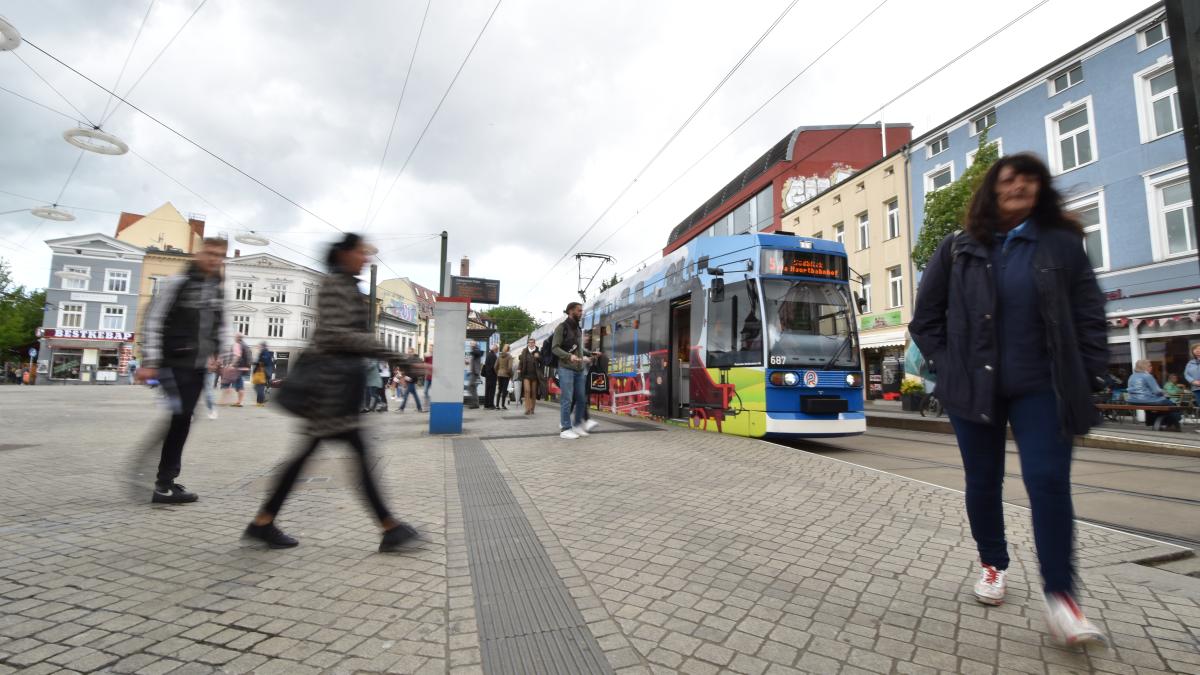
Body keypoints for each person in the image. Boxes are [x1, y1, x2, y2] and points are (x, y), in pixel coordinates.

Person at [909, 153, 1108, 646]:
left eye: (1028, 179)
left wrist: (1093, 372)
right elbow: (925, 319)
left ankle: (1061, 598)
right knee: (983, 480)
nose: (1018, 185)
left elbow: (1089, 313)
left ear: (1040, 188)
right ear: (992, 190)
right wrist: (946, 363)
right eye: (1008, 179)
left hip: (1044, 385)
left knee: (1048, 483)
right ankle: (993, 564)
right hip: (973, 386)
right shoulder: (958, 248)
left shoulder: (1062, 244)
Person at [243, 233, 417, 551]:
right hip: (330, 386)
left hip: (335, 385)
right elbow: (338, 334)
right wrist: (396, 356)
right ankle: (389, 527)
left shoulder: (346, 285)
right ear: (345, 254)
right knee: (355, 455)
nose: (367, 259)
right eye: (362, 253)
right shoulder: (337, 285)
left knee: (309, 455)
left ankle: (263, 522)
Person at [137, 237, 229, 504]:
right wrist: (151, 361)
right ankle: (162, 482)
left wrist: (221, 354)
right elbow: (154, 318)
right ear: (200, 254)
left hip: (198, 366)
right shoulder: (178, 284)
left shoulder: (216, 289)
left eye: (220, 255)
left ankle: (164, 480)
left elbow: (221, 324)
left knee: (182, 418)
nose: (214, 259)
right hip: (173, 363)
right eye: (210, 253)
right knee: (180, 417)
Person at [552, 302, 599, 439]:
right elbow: (555, 348)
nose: (581, 313)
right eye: (579, 310)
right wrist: (569, 356)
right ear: (570, 311)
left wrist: (590, 354)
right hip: (566, 368)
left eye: (581, 310)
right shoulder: (561, 328)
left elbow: (579, 349)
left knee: (581, 399)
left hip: (579, 369)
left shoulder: (578, 329)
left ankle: (577, 426)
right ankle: (565, 429)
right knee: (567, 399)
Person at [1127, 360, 1181, 430]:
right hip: (1147, 400)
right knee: (1170, 404)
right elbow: (1157, 391)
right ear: (1144, 367)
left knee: (1154, 406)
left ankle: (1152, 422)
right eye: (1149, 366)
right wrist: (1164, 392)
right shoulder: (1147, 376)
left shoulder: (1132, 376)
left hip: (1133, 400)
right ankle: (1172, 423)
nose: (1151, 367)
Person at [221, 334, 251, 407]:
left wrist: (232, 365)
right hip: (243, 368)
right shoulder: (246, 345)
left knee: (227, 383)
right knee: (240, 385)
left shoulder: (237, 344)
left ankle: (225, 401)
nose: (234, 338)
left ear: (237, 338)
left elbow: (237, 356)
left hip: (236, 368)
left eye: (234, 337)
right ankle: (239, 402)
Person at [518, 338, 542, 416]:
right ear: (528, 343)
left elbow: (543, 361)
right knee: (527, 391)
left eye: (532, 343)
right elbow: (521, 361)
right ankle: (527, 409)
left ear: (534, 343)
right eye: (529, 343)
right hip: (526, 375)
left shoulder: (538, 351)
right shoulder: (524, 351)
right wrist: (519, 369)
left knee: (533, 392)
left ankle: (532, 408)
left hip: (535, 375)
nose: (531, 344)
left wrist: (538, 357)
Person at [495, 344, 513, 410]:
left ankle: (497, 405)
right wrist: (511, 375)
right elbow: (510, 367)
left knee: (499, 389)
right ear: (508, 349)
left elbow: (495, 366)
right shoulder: (509, 357)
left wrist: (498, 372)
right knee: (504, 390)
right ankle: (503, 405)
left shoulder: (499, 356)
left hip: (499, 374)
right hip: (506, 375)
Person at [1184, 344, 1200, 412]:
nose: (1197, 350)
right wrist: (1193, 381)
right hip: (1196, 388)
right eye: (1195, 349)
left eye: (1199, 348)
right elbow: (1186, 374)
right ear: (1193, 352)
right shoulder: (1190, 363)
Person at [467, 344, 483, 409]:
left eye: (471, 345)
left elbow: (475, 352)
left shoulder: (477, 352)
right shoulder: (475, 353)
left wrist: (473, 347)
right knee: (473, 388)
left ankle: (475, 403)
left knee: (470, 387)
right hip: (473, 373)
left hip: (475, 373)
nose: (470, 346)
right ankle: (475, 403)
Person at [482, 344, 498, 409]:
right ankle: (491, 404)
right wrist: (496, 373)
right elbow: (494, 367)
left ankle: (486, 404)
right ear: (495, 349)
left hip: (488, 375)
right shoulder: (493, 356)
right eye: (497, 350)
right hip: (492, 375)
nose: (497, 351)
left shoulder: (488, 355)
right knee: (492, 390)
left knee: (487, 390)